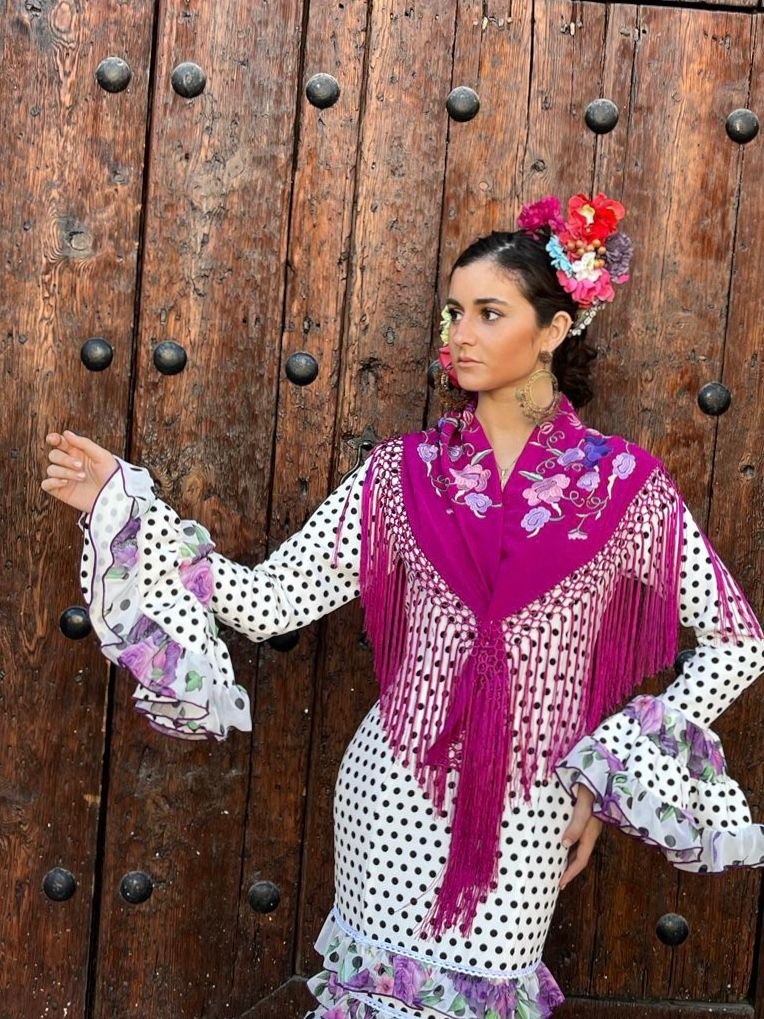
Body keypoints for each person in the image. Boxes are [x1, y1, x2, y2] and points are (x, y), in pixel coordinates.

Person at [41, 192, 764, 1019]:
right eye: (455, 311)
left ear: (555, 330)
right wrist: (126, 508)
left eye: (489, 312)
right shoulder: (399, 473)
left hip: (533, 810)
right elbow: (269, 601)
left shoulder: (626, 487)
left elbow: (739, 642)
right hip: (389, 797)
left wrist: (610, 772)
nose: (460, 333)